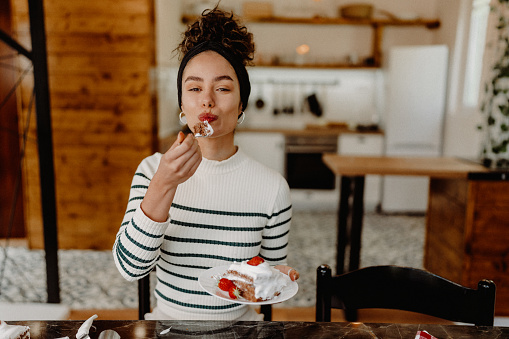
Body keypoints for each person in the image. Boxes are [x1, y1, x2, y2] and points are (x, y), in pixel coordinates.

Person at [112, 7, 299, 321]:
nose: (207, 100)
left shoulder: (272, 187)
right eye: (194, 88)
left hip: (240, 326)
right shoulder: (151, 170)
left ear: (241, 106)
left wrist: (277, 277)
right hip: (168, 324)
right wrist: (164, 184)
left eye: (223, 88)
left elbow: (266, 281)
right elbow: (130, 269)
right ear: (182, 105)